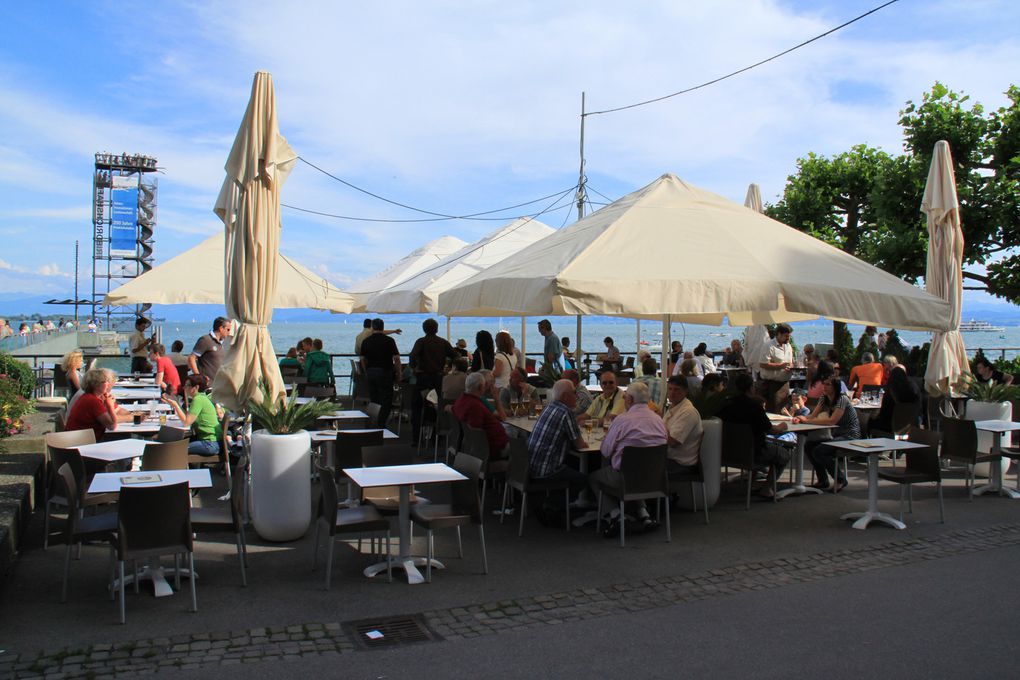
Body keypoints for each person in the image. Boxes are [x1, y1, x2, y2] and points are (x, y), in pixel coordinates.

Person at [590, 381, 667, 530]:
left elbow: (605, 451)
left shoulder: (622, 420)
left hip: (625, 480)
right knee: (637, 469)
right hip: (655, 479)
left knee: (595, 477)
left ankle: (615, 515)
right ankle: (643, 513)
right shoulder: (659, 421)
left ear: (630, 399)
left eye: (625, 397)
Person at [718, 372, 790, 498]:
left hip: (727, 451)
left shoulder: (724, 405)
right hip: (754, 452)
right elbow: (771, 430)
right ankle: (768, 488)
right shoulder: (754, 407)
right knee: (784, 454)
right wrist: (783, 425)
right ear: (751, 388)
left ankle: (752, 483)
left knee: (760, 446)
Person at [527, 378, 589, 502]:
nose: (577, 396)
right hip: (547, 470)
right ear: (565, 396)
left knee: (572, 463)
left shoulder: (549, 407)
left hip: (530, 467)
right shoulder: (566, 412)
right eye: (574, 392)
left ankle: (555, 502)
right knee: (583, 479)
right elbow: (580, 445)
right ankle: (557, 505)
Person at [797, 377, 861, 492]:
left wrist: (807, 421)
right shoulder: (823, 398)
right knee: (809, 446)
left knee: (819, 450)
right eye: (824, 384)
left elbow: (832, 421)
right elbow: (812, 416)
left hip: (850, 435)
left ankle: (840, 479)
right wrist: (800, 418)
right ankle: (823, 480)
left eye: (828, 385)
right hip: (837, 435)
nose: (824, 387)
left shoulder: (842, 399)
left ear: (835, 387)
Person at [409, 318, 458, 442]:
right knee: (438, 406)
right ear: (436, 329)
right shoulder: (443, 342)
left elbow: (412, 355)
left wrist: (414, 368)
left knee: (417, 406)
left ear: (424, 329)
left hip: (423, 378)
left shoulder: (421, 342)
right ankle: (438, 436)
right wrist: (448, 367)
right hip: (438, 378)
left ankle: (416, 437)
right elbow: (456, 356)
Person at [162, 374, 222, 456]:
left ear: (196, 387)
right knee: (174, 444)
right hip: (211, 441)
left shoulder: (198, 400)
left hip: (209, 443)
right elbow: (187, 417)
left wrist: (176, 405)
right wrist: (174, 405)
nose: (184, 388)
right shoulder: (202, 397)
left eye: (187, 385)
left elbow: (186, 422)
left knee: (174, 449)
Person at [452, 372, 508, 458]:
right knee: (524, 449)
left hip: (478, 447)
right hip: (494, 448)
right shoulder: (475, 406)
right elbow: (478, 433)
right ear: (481, 387)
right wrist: (496, 398)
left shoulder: (462, 400)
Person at [65, 368, 130, 441]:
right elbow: (112, 425)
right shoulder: (93, 401)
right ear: (96, 384)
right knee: (124, 437)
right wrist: (110, 406)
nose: (108, 384)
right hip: (81, 441)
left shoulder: (89, 396)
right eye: (105, 382)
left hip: (76, 438)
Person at [360, 318, 401, 427]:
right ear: (383, 327)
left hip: (371, 372)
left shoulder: (366, 341)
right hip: (385, 373)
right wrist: (399, 373)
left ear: (372, 327)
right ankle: (381, 423)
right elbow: (396, 358)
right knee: (387, 399)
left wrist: (366, 371)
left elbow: (362, 359)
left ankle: (373, 422)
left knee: (374, 398)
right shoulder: (389, 341)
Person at [663, 376, 703, 475]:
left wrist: (656, 426)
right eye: (670, 389)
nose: (672, 393)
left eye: (676, 390)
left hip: (680, 464)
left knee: (643, 464)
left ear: (685, 391)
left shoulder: (688, 412)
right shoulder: (674, 407)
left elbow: (673, 442)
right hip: (669, 458)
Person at [869, 365, 921, 435]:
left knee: (870, 421)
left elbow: (884, 412)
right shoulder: (914, 389)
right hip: (911, 428)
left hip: (888, 429)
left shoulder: (890, 393)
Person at [759, 323, 794, 412]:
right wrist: (781, 366)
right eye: (786, 336)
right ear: (778, 334)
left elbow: (790, 362)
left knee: (784, 410)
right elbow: (763, 364)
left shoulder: (788, 346)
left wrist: (792, 366)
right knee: (774, 410)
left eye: (789, 336)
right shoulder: (768, 345)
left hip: (785, 384)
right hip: (772, 385)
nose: (788, 338)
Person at [189, 317, 232, 383]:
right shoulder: (206, 340)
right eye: (228, 330)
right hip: (208, 386)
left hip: (219, 385)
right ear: (221, 328)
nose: (229, 333)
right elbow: (191, 358)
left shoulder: (222, 343)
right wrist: (199, 377)